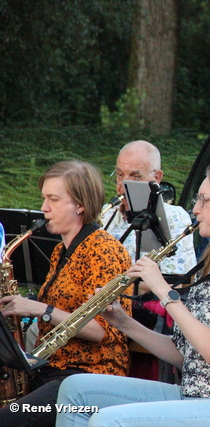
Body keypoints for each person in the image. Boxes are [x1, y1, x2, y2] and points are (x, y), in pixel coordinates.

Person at [56, 161, 210, 427]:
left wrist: (163, 289)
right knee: (75, 391)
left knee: (109, 421)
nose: (196, 209)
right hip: (194, 395)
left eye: (205, 200)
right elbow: (184, 353)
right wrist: (123, 322)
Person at [0, 160, 132, 427]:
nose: (44, 208)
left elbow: (101, 330)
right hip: (53, 370)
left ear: (80, 205)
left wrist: (40, 309)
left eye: (54, 199)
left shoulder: (104, 250)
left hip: (91, 379)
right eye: (44, 198)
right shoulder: (62, 250)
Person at [101, 140, 196, 275]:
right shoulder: (107, 213)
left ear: (157, 178)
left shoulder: (175, 218)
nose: (122, 186)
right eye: (120, 175)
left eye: (136, 176)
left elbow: (176, 283)